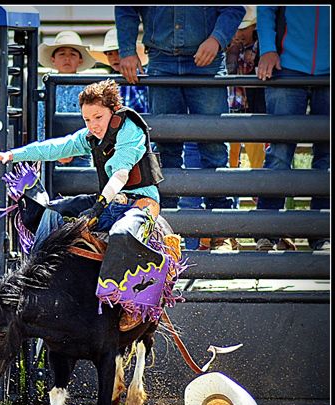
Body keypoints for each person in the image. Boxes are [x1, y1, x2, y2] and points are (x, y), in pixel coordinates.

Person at [0, 79, 182, 332]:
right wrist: (11, 155)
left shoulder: (131, 131)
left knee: (122, 234)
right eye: (87, 119)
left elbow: (120, 174)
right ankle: (41, 282)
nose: (93, 125)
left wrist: (98, 207)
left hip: (140, 204)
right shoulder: (91, 136)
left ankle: (133, 304)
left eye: (98, 117)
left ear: (113, 110)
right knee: (51, 214)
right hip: (109, 203)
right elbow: (57, 147)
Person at [115, 6, 246, 251]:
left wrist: (216, 39)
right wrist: (127, 51)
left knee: (213, 145)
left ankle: (222, 231)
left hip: (204, 60)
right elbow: (126, 9)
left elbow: (233, 8)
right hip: (164, 59)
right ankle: (165, 231)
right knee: (166, 147)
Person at [255, 6, 330, 252]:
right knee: (278, 152)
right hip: (285, 68)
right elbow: (265, 9)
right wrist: (267, 49)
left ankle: (320, 234)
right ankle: (267, 231)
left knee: (327, 158)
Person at [37, 30, 97, 167]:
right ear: (53, 59)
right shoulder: (45, 88)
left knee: (82, 186)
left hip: (82, 152)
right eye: (62, 54)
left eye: (73, 54)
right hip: (51, 152)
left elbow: (93, 122)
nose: (67, 58)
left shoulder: (88, 89)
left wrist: (75, 149)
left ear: (80, 60)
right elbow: (40, 123)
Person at [226, 6, 266, 171]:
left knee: (258, 160)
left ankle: (260, 193)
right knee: (228, 160)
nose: (238, 33)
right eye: (235, 29)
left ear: (253, 28)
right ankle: (229, 194)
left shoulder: (261, 48)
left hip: (253, 111)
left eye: (243, 29)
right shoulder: (224, 47)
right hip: (229, 110)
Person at [89, 27, 149, 113]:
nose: (114, 58)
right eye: (110, 54)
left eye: (119, 52)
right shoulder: (107, 83)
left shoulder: (144, 76)